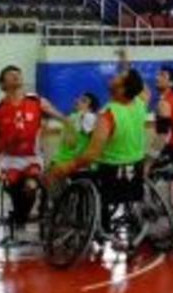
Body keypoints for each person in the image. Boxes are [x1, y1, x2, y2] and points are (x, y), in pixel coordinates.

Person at [48, 50, 151, 208]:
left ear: (122, 89)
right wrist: (126, 62)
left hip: (110, 172)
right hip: (135, 169)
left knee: (57, 172)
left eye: (118, 77)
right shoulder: (140, 103)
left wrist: (64, 168)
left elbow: (91, 155)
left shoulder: (108, 115)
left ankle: (93, 223)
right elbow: (141, 86)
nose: (113, 76)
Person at [0, 65, 66, 229]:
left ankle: (20, 216)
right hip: (9, 159)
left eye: (18, 74)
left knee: (31, 186)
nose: (16, 76)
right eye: (10, 75)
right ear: (3, 85)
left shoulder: (36, 101)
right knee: (13, 183)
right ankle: (19, 216)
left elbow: (61, 116)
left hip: (32, 157)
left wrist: (70, 124)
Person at [50, 92, 100, 167]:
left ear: (90, 108)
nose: (78, 101)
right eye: (79, 99)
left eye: (83, 101)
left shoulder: (88, 116)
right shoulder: (73, 116)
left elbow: (96, 140)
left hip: (71, 164)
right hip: (60, 161)